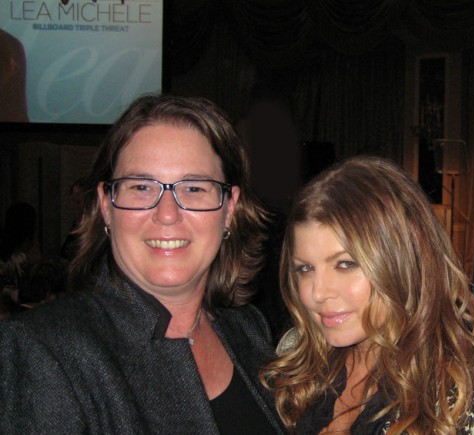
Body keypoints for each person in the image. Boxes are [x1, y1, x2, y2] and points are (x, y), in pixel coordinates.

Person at [0, 94, 286, 433]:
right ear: (107, 205)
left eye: (194, 188)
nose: (167, 214)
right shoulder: (46, 350)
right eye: (141, 187)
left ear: (229, 209)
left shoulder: (248, 329)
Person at [261, 155, 474, 434]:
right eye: (305, 268)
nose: (317, 292)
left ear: (404, 262)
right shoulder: (294, 367)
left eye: (346, 264)